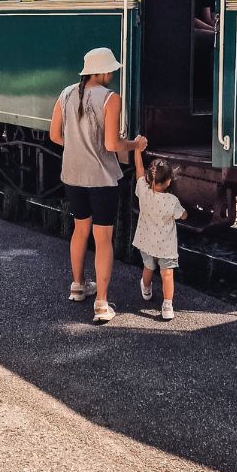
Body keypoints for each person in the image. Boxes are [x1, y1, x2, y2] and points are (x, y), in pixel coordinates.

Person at [49, 47, 147, 324]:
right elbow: (112, 146)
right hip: (102, 179)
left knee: (81, 229)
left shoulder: (65, 93)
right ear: (103, 72)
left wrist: (78, 147)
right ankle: (102, 304)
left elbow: (55, 135)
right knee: (103, 238)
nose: (112, 75)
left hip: (72, 176)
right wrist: (136, 144)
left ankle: (78, 286)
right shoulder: (110, 99)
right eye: (111, 71)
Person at [132, 152, 187, 321]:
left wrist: (137, 151)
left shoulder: (143, 191)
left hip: (147, 242)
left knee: (148, 268)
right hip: (166, 247)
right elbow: (183, 215)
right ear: (169, 181)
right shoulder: (172, 201)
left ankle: (146, 288)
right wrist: (185, 212)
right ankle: (167, 305)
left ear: (149, 178)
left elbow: (139, 170)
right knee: (167, 274)